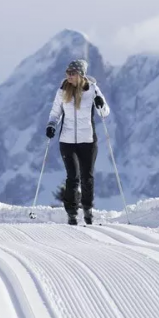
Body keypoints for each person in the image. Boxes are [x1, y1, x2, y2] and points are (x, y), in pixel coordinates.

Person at [46, 59, 110, 225]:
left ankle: (88, 211)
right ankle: (72, 214)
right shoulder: (62, 91)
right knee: (72, 177)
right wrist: (52, 125)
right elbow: (55, 113)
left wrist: (100, 104)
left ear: (81, 75)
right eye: (67, 72)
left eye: (72, 73)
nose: (69, 76)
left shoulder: (93, 90)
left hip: (88, 141)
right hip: (67, 141)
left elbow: (104, 113)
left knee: (87, 178)